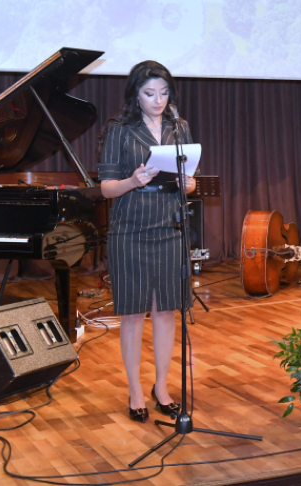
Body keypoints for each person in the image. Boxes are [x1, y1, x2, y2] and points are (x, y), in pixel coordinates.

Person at [98, 61, 197, 423]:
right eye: (150, 93)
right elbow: (106, 189)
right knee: (133, 314)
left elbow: (189, 179)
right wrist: (133, 181)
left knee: (166, 311)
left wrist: (190, 184)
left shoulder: (179, 127)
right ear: (135, 95)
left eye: (164, 93)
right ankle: (135, 391)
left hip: (170, 229)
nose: (158, 100)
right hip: (130, 231)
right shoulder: (119, 130)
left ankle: (162, 387)